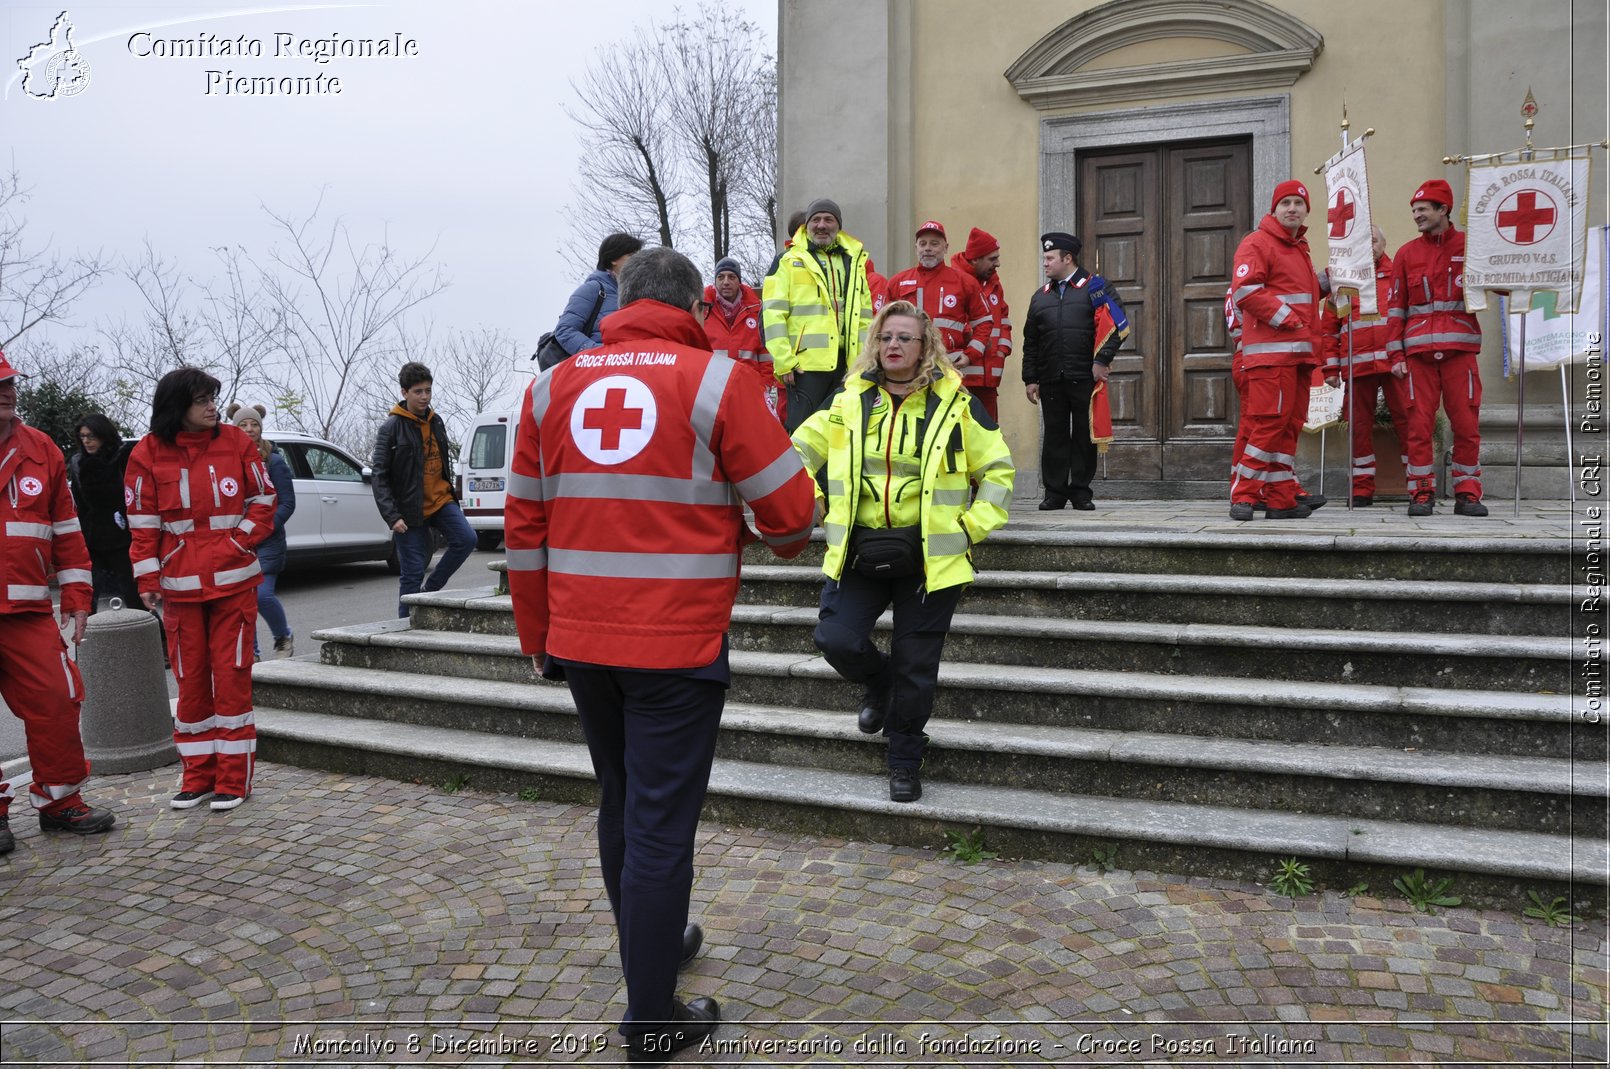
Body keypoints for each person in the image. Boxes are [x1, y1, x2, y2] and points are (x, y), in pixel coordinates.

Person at [505, 247, 816, 1063]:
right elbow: (790, 518)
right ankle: (651, 1017)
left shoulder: (547, 390)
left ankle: (652, 943)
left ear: (619, 296)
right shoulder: (717, 380)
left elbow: (525, 529)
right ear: (690, 301)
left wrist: (536, 637)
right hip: (676, 641)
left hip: (579, 641)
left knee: (621, 802)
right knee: (660, 827)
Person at [793, 300, 1014, 804]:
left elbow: (999, 470)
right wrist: (813, 495)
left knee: (918, 667)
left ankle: (904, 760)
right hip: (857, 552)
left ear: (925, 346)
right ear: (875, 343)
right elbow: (796, 450)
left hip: (931, 562)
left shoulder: (956, 404)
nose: (893, 345)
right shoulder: (848, 399)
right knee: (835, 638)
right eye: (886, 336)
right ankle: (880, 683)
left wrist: (968, 529)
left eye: (905, 338)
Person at [126, 367, 276, 812]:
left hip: (233, 582)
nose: (212, 406)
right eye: (201, 400)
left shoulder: (237, 442)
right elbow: (142, 524)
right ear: (177, 407)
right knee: (191, 681)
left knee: (230, 679)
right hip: (178, 587)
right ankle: (197, 777)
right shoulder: (146, 453)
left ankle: (234, 780)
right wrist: (147, 578)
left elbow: (263, 501)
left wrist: (237, 542)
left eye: (213, 397)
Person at [0, 352, 117, 852]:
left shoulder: (40, 448)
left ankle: (59, 800)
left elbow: (67, 531)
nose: (9, 390)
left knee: (56, 699)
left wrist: (77, 598)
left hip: (25, 611)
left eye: (10, 382)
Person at [1387, 178, 1487, 517]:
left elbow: (1499, 285)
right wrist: (1395, 354)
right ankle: (1421, 492)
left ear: (1443, 209)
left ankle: (1468, 493)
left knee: (1466, 425)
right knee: (1418, 426)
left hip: (1460, 352)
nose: (1416, 215)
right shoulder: (1405, 254)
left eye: (1423, 209)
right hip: (1418, 357)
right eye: (1414, 210)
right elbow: (1395, 309)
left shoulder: (1471, 246)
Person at [1227, 181, 1323, 521]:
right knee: (1268, 426)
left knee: (1289, 427)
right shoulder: (1257, 242)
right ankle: (1244, 495)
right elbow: (1246, 291)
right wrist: (1289, 319)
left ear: (1306, 210)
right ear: (1274, 209)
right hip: (1270, 356)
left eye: (1299, 202)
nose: (1293, 208)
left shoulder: (1300, 249)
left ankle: (1282, 498)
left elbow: (1298, 293)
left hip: (1299, 355)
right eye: (1286, 203)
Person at [1021, 231, 1130, 512]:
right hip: (1050, 379)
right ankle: (1054, 493)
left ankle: (1081, 492)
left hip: (1085, 377)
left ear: (1067, 258)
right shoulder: (1039, 297)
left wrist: (1101, 361)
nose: (1044, 263)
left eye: (1049, 258)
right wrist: (1030, 378)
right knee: (1055, 436)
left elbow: (1118, 325)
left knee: (1083, 435)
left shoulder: (1096, 287)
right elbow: (1031, 341)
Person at [371, 362, 476, 617]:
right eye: (418, 391)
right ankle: (404, 630)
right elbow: (379, 476)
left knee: (466, 539)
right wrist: (392, 516)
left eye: (428, 390)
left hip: (440, 500)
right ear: (404, 392)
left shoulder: (436, 421)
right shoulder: (391, 428)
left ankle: (429, 592)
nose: (424, 397)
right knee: (412, 573)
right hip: (408, 510)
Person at [761, 198, 874, 432]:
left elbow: (865, 318)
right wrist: (784, 361)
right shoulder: (787, 261)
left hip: (848, 367)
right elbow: (772, 315)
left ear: (838, 225)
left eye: (828, 219)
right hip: (805, 367)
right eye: (816, 219)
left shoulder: (854, 262)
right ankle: (802, 472)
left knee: (840, 433)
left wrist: (865, 360)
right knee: (803, 433)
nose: (822, 225)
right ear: (806, 225)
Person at [1321, 226, 1411, 507]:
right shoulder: (1342, 280)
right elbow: (1329, 329)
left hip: (1393, 364)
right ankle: (1361, 488)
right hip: (1357, 368)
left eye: (1372, 240)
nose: (1368, 245)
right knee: (1358, 427)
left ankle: (1419, 486)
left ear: (1384, 244)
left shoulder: (1398, 274)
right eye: (1362, 241)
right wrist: (1330, 369)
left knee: (1409, 422)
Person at [227, 404, 296, 658]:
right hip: (239, 541)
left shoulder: (273, 461)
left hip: (268, 541)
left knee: (261, 596)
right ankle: (251, 653)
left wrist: (264, 527)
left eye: (254, 424)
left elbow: (288, 503)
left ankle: (283, 637)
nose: (249, 429)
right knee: (243, 601)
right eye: (243, 425)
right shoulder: (227, 460)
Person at [882, 220, 991, 375]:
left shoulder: (965, 282)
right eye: (923, 244)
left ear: (945, 248)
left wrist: (970, 355)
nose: (927, 248)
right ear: (916, 248)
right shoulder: (897, 282)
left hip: (949, 364)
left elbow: (984, 323)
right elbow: (882, 326)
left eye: (934, 244)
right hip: (908, 365)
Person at [68, 413, 140, 612]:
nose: (87, 441)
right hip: (92, 537)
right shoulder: (78, 462)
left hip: (123, 536)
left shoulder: (124, 456)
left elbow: (134, 496)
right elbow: (78, 502)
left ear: (103, 434)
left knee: (133, 595)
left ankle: (154, 638)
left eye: (91, 436)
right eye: (82, 436)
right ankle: (85, 641)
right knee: (87, 599)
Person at [702, 256, 781, 421]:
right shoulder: (702, 310)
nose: (725, 282)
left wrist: (764, 387)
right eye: (720, 277)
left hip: (749, 391)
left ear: (739, 281)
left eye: (731, 277)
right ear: (714, 281)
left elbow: (766, 354)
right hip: (711, 391)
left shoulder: (756, 310)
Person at [952, 227, 1012, 421]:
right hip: (962, 377)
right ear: (975, 259)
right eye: (992, 259)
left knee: (989, 435)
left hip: (989, 380)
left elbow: (1003, 320)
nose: (998, 263)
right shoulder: (953, 282)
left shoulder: (994, 284)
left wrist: (1001, 350)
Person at [555, 232, 644, 359]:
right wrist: (601, 355)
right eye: (631, 256)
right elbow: (565, 330)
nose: (638, 262)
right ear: (614, 259)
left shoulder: (639, 293)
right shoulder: (592, 289)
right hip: (599, 371)